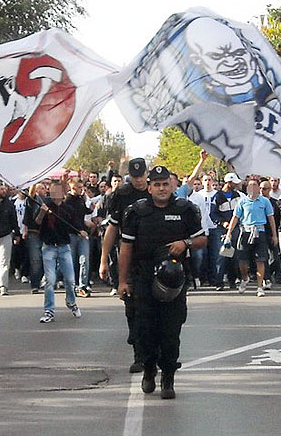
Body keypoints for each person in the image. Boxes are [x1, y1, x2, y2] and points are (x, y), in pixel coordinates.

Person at [118, 165, 206, 399]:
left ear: (173, 185)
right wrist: (122, 281)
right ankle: (148, 369)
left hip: (174, 280)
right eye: (156, 184)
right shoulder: (136, 212)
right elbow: (125, 248)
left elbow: (202, 240)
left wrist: (185, 243)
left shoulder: (185, 210)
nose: (161, 188)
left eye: (165, 184)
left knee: (170, 331)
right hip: (144, 277)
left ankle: (168, 377)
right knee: (145, 330)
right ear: (149, 187)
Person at [99, 158, 149, 373]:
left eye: (141, 175)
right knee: (131, 304)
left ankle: (151, 350)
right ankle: (139, 354)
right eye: (134, 176)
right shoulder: (122, 195)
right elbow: (112, 228)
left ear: (147, 173)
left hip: (153, 253)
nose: (138, 180)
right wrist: (103, 259)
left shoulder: (157, 189)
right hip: (128, 253)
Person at [36, 180, 84, 323]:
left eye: (58, 191)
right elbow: (37, 222)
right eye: (52, 191)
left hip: (64, 247)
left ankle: (71, 302)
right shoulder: (44, 205)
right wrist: (42, 213)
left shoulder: (68, 209)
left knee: (70, 280)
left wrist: (81, 231)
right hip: (49, 247)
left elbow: (75, 226)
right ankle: (49, 310)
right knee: (50, 280)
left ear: (63, 193)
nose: (55, 194)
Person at [224, 178, 278, 296]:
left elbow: (271, 218)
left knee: (260, 260)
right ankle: (244, 278)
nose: (252, 188)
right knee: (242, 260)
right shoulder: (242, 201)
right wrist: (229, 233)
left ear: (258, 188)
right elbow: (235, 217)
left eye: (255, 185)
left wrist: (274, 235)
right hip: (245, 232)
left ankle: (259, 287)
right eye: (250, 185)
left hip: (260, 231)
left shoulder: (264, 201)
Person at [211, 173, 244, 290]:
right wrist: (222, 222)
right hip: (222, 229)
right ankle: (219, 282)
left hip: (235, 228)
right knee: (222, 255)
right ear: (228, 183)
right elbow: (213, 214)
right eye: (234, 183)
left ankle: (232, 280)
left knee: (234, 255)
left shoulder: (238, 196)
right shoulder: (217, 197)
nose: (236, 184)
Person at [188, 173, 218, 286]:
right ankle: (194, 277)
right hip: (185, 232)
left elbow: (204, 215)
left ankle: (203, 277)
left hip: (201, 231)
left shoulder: (198, 197)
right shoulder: (179, 197)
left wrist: (205, 231)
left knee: (202, 256)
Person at [64, 178, 92, 297]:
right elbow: (69, 219)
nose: (82, 190)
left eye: (83, 187)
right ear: (73, 188)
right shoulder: (68, 201)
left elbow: (83, 212)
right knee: (72, 261)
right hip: (72, 234)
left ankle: (82, 285)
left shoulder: (80, 198)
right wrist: (78, 230)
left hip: (83, 234)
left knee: (84, 259)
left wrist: (90, 208)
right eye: (79, 188)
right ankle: (72, 285)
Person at [23, 180, 49, 294]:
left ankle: (45, 281)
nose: (45, 190)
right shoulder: (33, 200)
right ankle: (35, 284)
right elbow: (31, 192)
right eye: (42, 188)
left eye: (45, 188)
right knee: (35, 260)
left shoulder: (48, 200)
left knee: (46, 259)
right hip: (34, 233)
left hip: (45, 233)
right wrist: (34, 180)